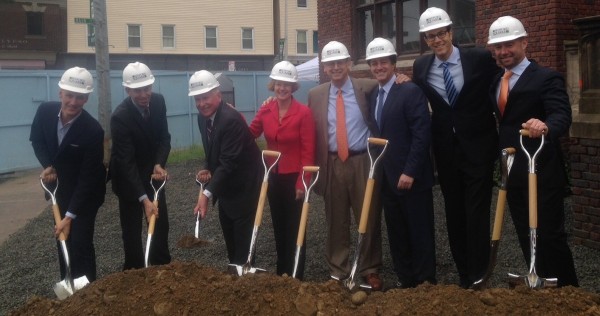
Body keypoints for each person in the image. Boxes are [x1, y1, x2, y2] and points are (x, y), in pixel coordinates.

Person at [412, 7, 500, 288]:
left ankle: (479, 273)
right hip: (446, 152)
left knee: (477, 212)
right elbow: (416, 93)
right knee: (454, 212)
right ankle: (464, 274)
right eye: (430, 36)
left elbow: (504, 79)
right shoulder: (421, 67)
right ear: (426, 40)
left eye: (440, 34)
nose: (436, 40)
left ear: (451, 32)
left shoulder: (479, 58)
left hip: (478, 149)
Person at [487, 16, 578, 287]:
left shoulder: (546, 77)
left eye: (509, 44)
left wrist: (546, 125)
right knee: (526, 232)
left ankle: (567, 290)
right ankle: (535, 279)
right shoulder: (497, 81)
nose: (503, 52)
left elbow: (562, 114)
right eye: (498, 47)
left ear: (524, 42)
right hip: (514, 170)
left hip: (541, 170)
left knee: (549, 233)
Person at [308, 40, 383, 290]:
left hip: (362, 160)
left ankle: (369, 268)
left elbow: (392, 86)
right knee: (335, 219)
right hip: (332, 163)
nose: (336, 67)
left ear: (349, 64)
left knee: (368, 216)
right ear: (325, 68)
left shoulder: (368, 87)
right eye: (331, 64)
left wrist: (402, 77)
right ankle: (337, 269)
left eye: (340, 62)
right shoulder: (316, 95)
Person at [366, 38, 437, 288]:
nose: (378, 67)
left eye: (383, 62)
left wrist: (410, 171)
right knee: (397, 233)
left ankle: (425, 282)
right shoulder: (374, 93)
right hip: (387, 176)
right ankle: (406, 281)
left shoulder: (409, 91)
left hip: (411, 178)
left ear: (394, 64)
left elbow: (421, 133)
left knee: (420, 231)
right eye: (374, 63)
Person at [30, 66, 106, 282]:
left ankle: (88, 290)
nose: (73, 102)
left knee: (80, 241)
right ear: (60, 93)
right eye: (70, 95)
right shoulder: (44, 112)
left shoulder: (92, 130)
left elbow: (88, 176)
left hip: (87, 193)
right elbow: (37, 140)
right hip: (60, 188)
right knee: (62, 237)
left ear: (87, 98)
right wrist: (47, 166)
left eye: (80, 97)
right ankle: (67, 283)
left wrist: (70, 215)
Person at [247, 61, 316, 279]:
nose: (282, 88)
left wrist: (303, 181)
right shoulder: (267, 109)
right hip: (273, 177)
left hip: (294, 177)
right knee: (279, 226)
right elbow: (250, 133)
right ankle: (282, 274)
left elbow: (308, 150)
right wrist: (231, 115)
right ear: (273, 85)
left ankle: (296, 274)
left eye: (286, 84)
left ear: (293, 86)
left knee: (296, 228)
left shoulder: (303, 113)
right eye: (278, 84)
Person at [190, 70, 263, 267]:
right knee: (229, 232)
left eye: (205, 97)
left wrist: (205, 194)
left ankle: (245, 277)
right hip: (227, 186)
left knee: (243, 239)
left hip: (245, 185)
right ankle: (235, 273)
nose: (201, 103)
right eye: (197, 99)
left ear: (218, 95)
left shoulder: (230, 120)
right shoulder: (203, 118)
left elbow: (229, 162)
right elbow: (214, 149)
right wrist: (207, 167)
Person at [110, 62, 171, 270]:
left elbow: (164, 138)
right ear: (128, 90)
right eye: (137, 90)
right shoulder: (120, 117)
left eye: (147, 88)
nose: (144, 95)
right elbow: (125, 162)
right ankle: (134, 272)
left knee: (160, 224)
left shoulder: (159, 102)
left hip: (153, 176)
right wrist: (143, 199)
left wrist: (158, 164)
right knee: (131, 230)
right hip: (128, 180)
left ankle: (161, 267)